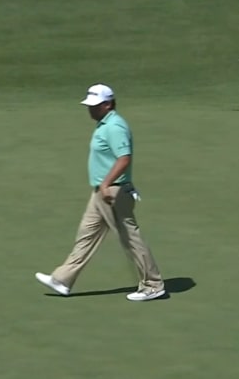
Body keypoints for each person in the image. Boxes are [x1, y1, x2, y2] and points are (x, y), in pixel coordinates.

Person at [35, 84, 166, 302]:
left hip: (112, 192)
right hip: (101, 192)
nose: (90, 110)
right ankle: (62, 279)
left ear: (107, 104)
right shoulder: (104, 124)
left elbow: (124, 158)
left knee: (130, 239)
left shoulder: (115, 127)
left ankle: (153, 285)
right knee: (86, 235)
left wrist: (106, 184)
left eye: (95, 106)